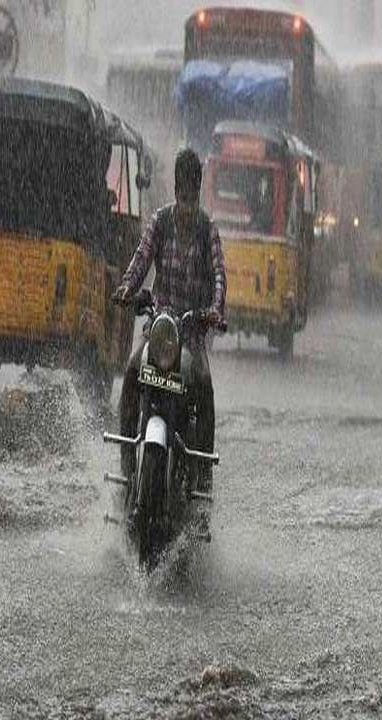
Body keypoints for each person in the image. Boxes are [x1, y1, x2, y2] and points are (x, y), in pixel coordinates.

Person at [111, 148, 226, 476]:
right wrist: (126, 288)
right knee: (132, 376)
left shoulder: (208, 230)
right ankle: (125, 467)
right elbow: (141, 258)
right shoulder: (160, 221)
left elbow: (219, 275)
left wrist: (215, 309)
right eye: (182, 194)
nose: (186, 204)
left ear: (198, 191)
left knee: (204, 391)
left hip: (189, 336)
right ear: (176, 190)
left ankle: (202, 480)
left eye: (192, 195)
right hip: (158, 328)